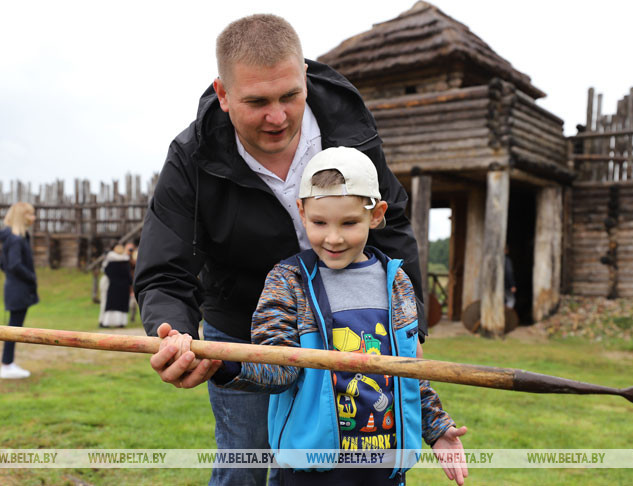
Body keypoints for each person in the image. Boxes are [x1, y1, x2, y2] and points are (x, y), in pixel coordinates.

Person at [133, 14, 426, 486]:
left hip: (353, 330)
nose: (278, 116)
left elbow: (390, 227)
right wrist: (178, 337)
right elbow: (163, 272)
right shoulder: (191, 156)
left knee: (353, 468)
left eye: (289, 95)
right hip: (241, 334)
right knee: (244, 465)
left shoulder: (350, 130)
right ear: (223, 94)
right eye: (257, 101)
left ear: (305, 78)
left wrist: (407, 327)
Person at [190, 147, 468, 485]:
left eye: (349, 223)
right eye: (319, 223)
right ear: (302, 213)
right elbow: (277, 367)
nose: (333, 238)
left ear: (377, 215)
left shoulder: (397, 282)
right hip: (310, 472)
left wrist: (437, 428)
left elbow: (410, 372)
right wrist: (226, 363)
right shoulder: (288, 281)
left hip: (384, 470)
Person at [0, 201, 38, 379]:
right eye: (30, 214)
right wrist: (30, 276)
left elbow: (2, 264)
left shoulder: (16, 237)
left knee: (14, 327)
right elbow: (13, 264)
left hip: (15, 288)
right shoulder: (15, 239)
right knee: (13, 329)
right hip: (18, 290)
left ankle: (8, 363)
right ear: (22, 217)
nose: (33, 218)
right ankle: (7, 365)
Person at [99, 244, 132, 328]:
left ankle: (106, 322)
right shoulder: (126, 261)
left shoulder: (110, 261)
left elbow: (105, 271)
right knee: (121, 304)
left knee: (111, 304)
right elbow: (128, 275)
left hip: (113, 285)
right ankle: (121, 322)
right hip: (124, 286)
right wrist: (130, 283)